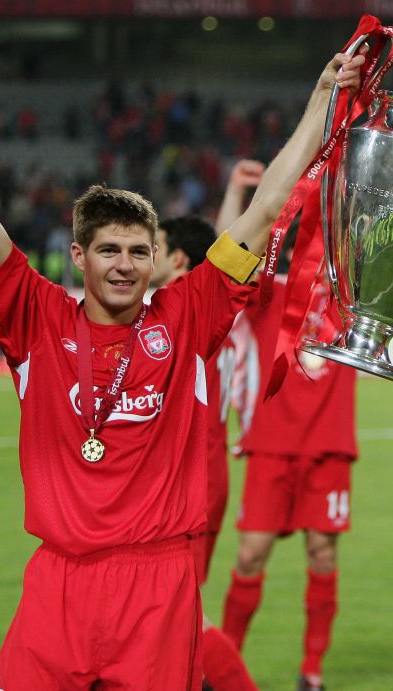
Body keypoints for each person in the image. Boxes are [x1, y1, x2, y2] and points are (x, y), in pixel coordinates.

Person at [0, 36, 365, 689]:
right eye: (109, 249)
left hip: (157, 587)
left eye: (137, 250)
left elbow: (267, 210)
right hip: (58, 582)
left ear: (155, 258)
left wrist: (323, 99)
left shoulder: (187, 314)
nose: (124, 263)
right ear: (78, 256)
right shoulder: (35, 318)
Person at [219, 171, 358, 691]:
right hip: (271, 446)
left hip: (328, 447)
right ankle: (224, 667)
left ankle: (312, 674)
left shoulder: (355, 302)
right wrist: (238, 195)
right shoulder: (268, 295)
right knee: (251, 554)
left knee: (322, 554)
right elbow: (228, 256)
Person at [150, 215, 257, 691]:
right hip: (197, 475)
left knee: (178, 612)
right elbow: (222, 247)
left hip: (187, 482)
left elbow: (230, 246)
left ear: (176, 259)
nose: (140, 255)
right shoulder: (200, 302)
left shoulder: (184, 308)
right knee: (168, 614)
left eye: (150, 246)